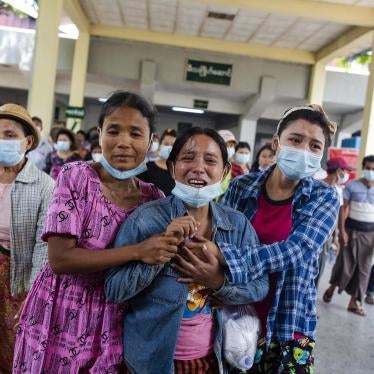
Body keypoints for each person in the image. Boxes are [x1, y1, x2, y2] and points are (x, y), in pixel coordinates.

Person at [13, 92, 176, 373]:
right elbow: (61, 259)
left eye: (135, 133)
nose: (123, 142)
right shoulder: (75, 177)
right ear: (100, 134)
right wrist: (138, 251)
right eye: (114, 130)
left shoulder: (153, 198)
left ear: (150, 141)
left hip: (112, 321)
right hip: (58, 314)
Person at [105, 127, 268, 374]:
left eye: (210, 160)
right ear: (172, 168)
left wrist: (219, 283)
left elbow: (260, 284)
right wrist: (162, 248)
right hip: (149, 363)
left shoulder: (237, 225)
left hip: (211, 361)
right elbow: (114, 290)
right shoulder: (145, 220)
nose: (198, 167)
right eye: (188, 158)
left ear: (225, 172)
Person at [215, 105, 339, 373]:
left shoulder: (324, 197)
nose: (304, 150)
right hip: (238, 318)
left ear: (320, 156)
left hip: (289, 323)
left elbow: (298, 249)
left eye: (315, 146)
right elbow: (223, 237)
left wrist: (227, 258)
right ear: (276, 142)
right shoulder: (242, 187)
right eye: (295, 140)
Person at [0, 103, 54, 373]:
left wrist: (33, 294)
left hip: (18, 278)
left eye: (9, 135)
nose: (1, 141)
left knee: (13, 343)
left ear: (28, 141)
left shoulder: (44, 185)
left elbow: (44, 246)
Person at [323, 155, 374, 317]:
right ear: (363, 168)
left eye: (373, 169)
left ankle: (354, 302)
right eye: (368, 168)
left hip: (370, 233)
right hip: (351, 230)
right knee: (344, 264)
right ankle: (332, 287)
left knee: (364, 268)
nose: (370, 172)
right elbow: (343, 209)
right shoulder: (352, 186)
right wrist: (342, 231)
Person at [314, 157, 351, 287]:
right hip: (313, 235)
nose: (347, 174)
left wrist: (337, 235)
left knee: (319, 268)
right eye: (346, 171)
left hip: (327, 238)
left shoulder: (338, 190)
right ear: (339, 171)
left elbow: (338, 215)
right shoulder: (316, 185)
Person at [139, 128, 177, 196]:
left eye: (172, 145)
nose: (169, 147)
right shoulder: (148, 167)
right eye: (166, 144)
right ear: (160, 145)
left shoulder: (178, 171)